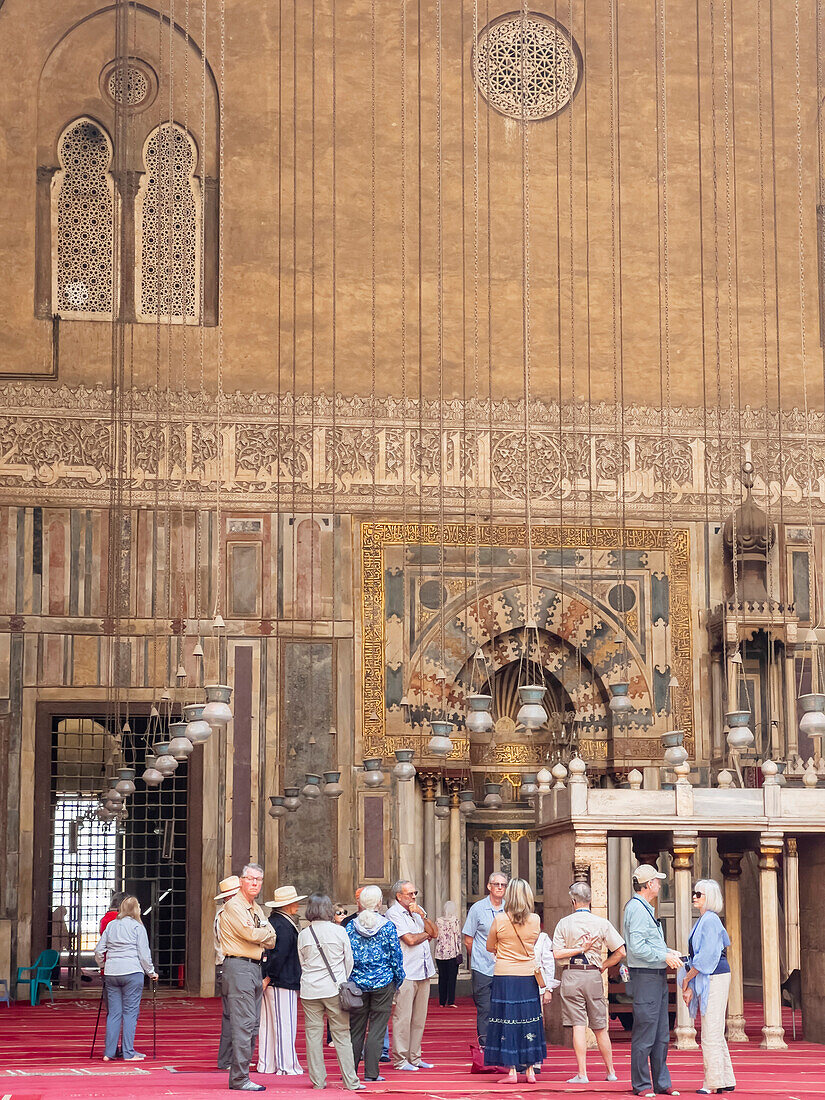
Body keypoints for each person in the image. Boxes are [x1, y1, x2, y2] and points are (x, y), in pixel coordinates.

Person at [552, 880, 626, 1084]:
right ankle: (611, 1071)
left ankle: (582, 1074)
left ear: (573, 901)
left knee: (578, 1024)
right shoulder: (601, 923)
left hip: (571, 974)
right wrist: (603, 965)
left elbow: (557, 954)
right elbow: (621, 951)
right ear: (590, 900)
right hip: (593, 974)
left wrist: (577, 950)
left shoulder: (564, 923)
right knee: (600, 1025)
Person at [623, 863, 684, 1099]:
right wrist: (664, 956)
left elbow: (650, 944)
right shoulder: (637, 909)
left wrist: (670, 952)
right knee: (646, 1031)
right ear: (649, 884)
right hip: (645, 975)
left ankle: (661, 1082)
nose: (659, 884)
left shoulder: (644, 907)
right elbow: (637, 948)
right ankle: (642, 1084)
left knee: (661, 1033)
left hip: (655, 974)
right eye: (657, 881)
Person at [296, 893, 364, 1091]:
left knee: (313, 1036)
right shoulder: (339, 932)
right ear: (328, 910)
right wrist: (341, 978)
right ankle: (351, 1081)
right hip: (334, 989)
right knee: (342, 1035)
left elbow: (302, 963)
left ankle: (318, 1081)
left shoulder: (304, 935)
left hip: (310, 990)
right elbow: (349, 961)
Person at [218, 862, 276, 1092]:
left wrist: (261, 935)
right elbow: (250, 933)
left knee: (252, 1025)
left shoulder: (255, 908)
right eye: (250, 878)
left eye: (259, 880)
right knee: (243, 1024)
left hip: (253, 967)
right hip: (239, 966)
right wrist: (262, 935)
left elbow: (272, 938)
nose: (255, 883)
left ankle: (241, 1075)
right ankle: (239, 1078)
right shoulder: (234, 906)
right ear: (241, 880)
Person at [484, 878, 546, 1084]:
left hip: (505, 975)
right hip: (527, 975)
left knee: (507, 1019)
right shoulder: (535, 920)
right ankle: (529, 1070)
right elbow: (533, 942)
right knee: (528, 1020)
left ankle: (511, 1071)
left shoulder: (500, 919)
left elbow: (489, 946)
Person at [680, 879, 736, 1095]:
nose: (694, 897)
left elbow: (707, 957)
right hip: (713, 975)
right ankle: (725, 1077)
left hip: (715, 975)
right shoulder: (705, 920)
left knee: (711, 1031)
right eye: (694, 893)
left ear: (709, 897)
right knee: (714, 1028)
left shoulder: (710, 920)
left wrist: (688, 978)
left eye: (699, 894)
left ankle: (712, 1081)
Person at [346, 885, 405, 1082]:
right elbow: (396, 956)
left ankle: (350, 1072)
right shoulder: (387, 927)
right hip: (383, 982)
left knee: (356, 1030)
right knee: (377, 1029)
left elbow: (346, 957)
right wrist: (398, 979)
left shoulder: (350, 926)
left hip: (357, 984)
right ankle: (371, 1073)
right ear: (379, 903)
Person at [94, 895, 158, 1061]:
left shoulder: (111, 925)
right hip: (132, 972)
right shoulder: (138, 927)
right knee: (130, 1013)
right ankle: (128, 1052)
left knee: (114, 1014)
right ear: (136, 909)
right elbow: (144, 954)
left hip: (112, 973)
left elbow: (99, 951)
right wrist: (151, 972)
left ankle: (109, 1052)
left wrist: (103, 966)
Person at [386, 880, 437, 1071]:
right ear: (399, 896)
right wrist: (426, 934)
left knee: (419, 1019)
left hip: (424, 970)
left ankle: (415, 1056)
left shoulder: (418, 910)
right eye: (410, 894)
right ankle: (400, 1059)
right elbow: (410, 939)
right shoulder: (393, 914)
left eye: (415, 893)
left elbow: (435, 932)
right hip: (406, 972)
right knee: (403, 1017)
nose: (414, 896)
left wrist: (423, 917)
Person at [258, 885, 306, 1076]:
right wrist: (270, 976)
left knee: (269, 1024)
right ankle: (286, 1065)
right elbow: (279, 955)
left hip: (275, 980)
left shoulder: (276, 922)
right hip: (281, 980)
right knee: (284, 1023)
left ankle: (267, 1064)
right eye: (294, 901)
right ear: (287, 905)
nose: (297, 905)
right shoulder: (284, 925)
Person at [462, 871, 508, 1045]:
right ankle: (485, 1046)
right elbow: (468, 940)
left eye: (503, 885)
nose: (499, 888)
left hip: (505, 967)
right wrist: (477, 959)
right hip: (482, 967)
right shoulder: (477, 909)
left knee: (503, 1008)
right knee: (485, 1009)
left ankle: (502, 1044)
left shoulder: (510, 909)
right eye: (496, 884)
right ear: (489, 886)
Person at [214, 875, 241, 1071]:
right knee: (232, 1016)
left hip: (225, 966)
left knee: (231, 1015)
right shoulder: (227, 915)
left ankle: (229, 1058)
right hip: (228, 965)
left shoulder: (225, 913)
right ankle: (226, 1060)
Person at [433, 900, 462, 1007]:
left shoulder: (438, 921)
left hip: (440, 952)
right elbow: (458, 937)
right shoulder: (455, 921)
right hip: (452, 952)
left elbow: (436, 936)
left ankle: (442, 1002)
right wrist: (459, 951)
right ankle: (451, 1001)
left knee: (442, 978)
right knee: (451, 978)